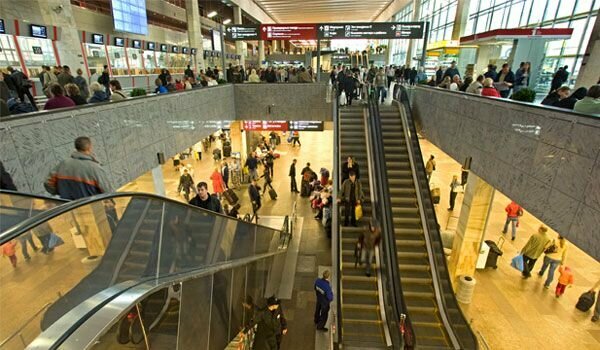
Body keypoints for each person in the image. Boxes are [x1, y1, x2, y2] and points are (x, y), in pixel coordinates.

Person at [45, 136, 113, 199]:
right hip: (91, 207)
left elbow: (48, 183)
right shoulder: (95, 168)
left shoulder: (63, 164)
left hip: (70, 207)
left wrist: (63, 193)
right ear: (89, 148)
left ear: (76, 148)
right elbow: (107, 191)